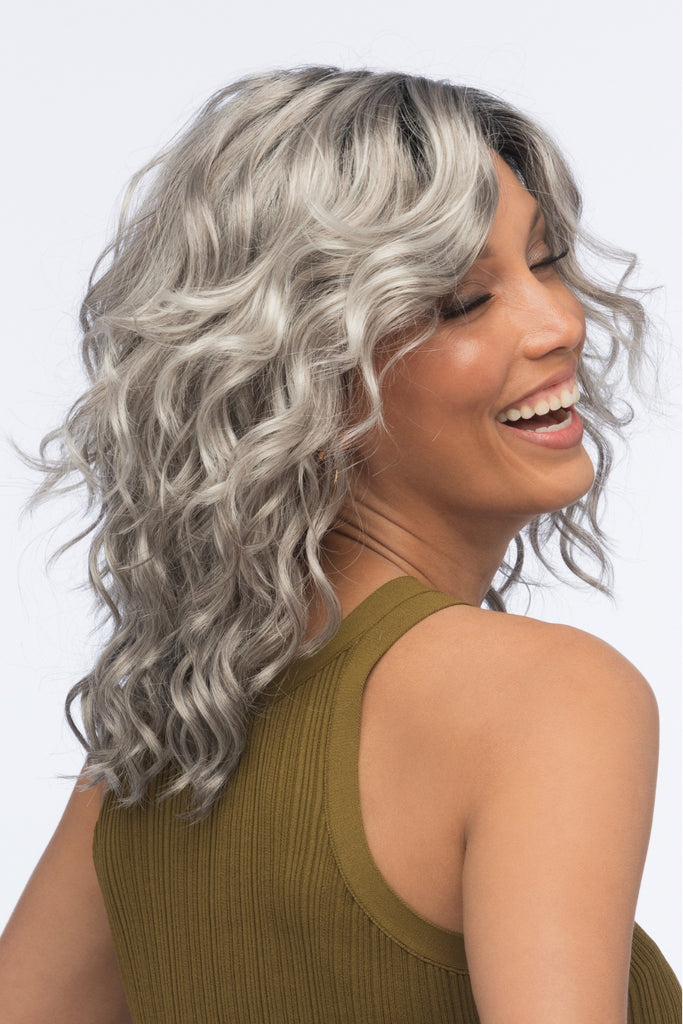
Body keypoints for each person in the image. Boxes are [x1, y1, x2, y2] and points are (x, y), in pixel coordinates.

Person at [0, 67, 679, 1024]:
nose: (560, 323)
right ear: (302, 381)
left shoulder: (166, 735)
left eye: (546, 261)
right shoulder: (548, 696)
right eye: (462, 301)